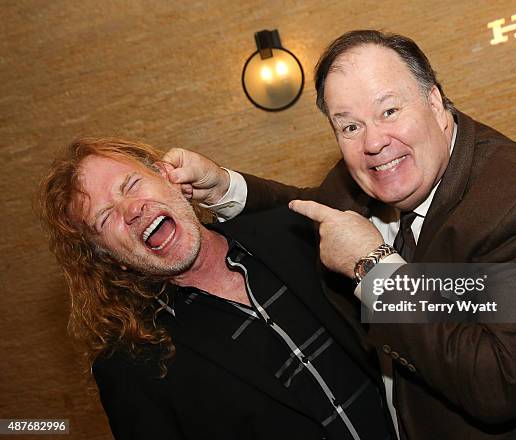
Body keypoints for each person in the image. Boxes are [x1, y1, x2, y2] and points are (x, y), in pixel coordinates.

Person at [163, 30, 516, 439]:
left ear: (435, 104)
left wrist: (375, 269)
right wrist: (225, 187)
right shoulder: (372, 175)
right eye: (350, 126)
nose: (373, 142)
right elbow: (309, 207)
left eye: (390, 110)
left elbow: (497, 385)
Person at [37, 138, 396, 440]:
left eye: (131, 185)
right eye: (105, 217)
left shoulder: (293, 234)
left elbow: (435, 319)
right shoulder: (131, 368)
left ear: (167, 177)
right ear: (108, 257)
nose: (131, 210)